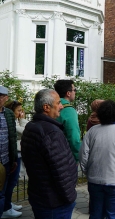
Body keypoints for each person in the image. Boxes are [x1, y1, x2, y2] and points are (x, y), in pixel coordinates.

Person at [21, 89, 77, 218]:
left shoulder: (32, 126)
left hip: (40, 196)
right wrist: (70, 197)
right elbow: (61, 171)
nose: (61, 106)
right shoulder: (50, 133)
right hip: (54, 202)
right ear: (46, 107)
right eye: (58, 103)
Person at [3, 101, 28, 217]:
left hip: (17, 154)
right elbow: (25, 131)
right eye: (18, 111)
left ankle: (7, 204)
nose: (21, 113)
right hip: (14, 154)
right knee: (10, 182)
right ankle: (5, 208)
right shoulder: (11, 122)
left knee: (12, 182)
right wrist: (22, 120)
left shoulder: (15, 121)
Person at [0, 86, 18, 219]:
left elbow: (12, 138)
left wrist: (14, 159)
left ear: (6, 98)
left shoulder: (8, 113)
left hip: (5, 160)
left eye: (1, 96)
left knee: (3, 191)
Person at [54, 80, 81, 162]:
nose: (75, 92)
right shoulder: (69, 110)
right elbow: (74, 137)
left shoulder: (51, 106)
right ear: (68, 93)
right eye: (74, 90)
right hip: (66, 155)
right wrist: (78, 157)